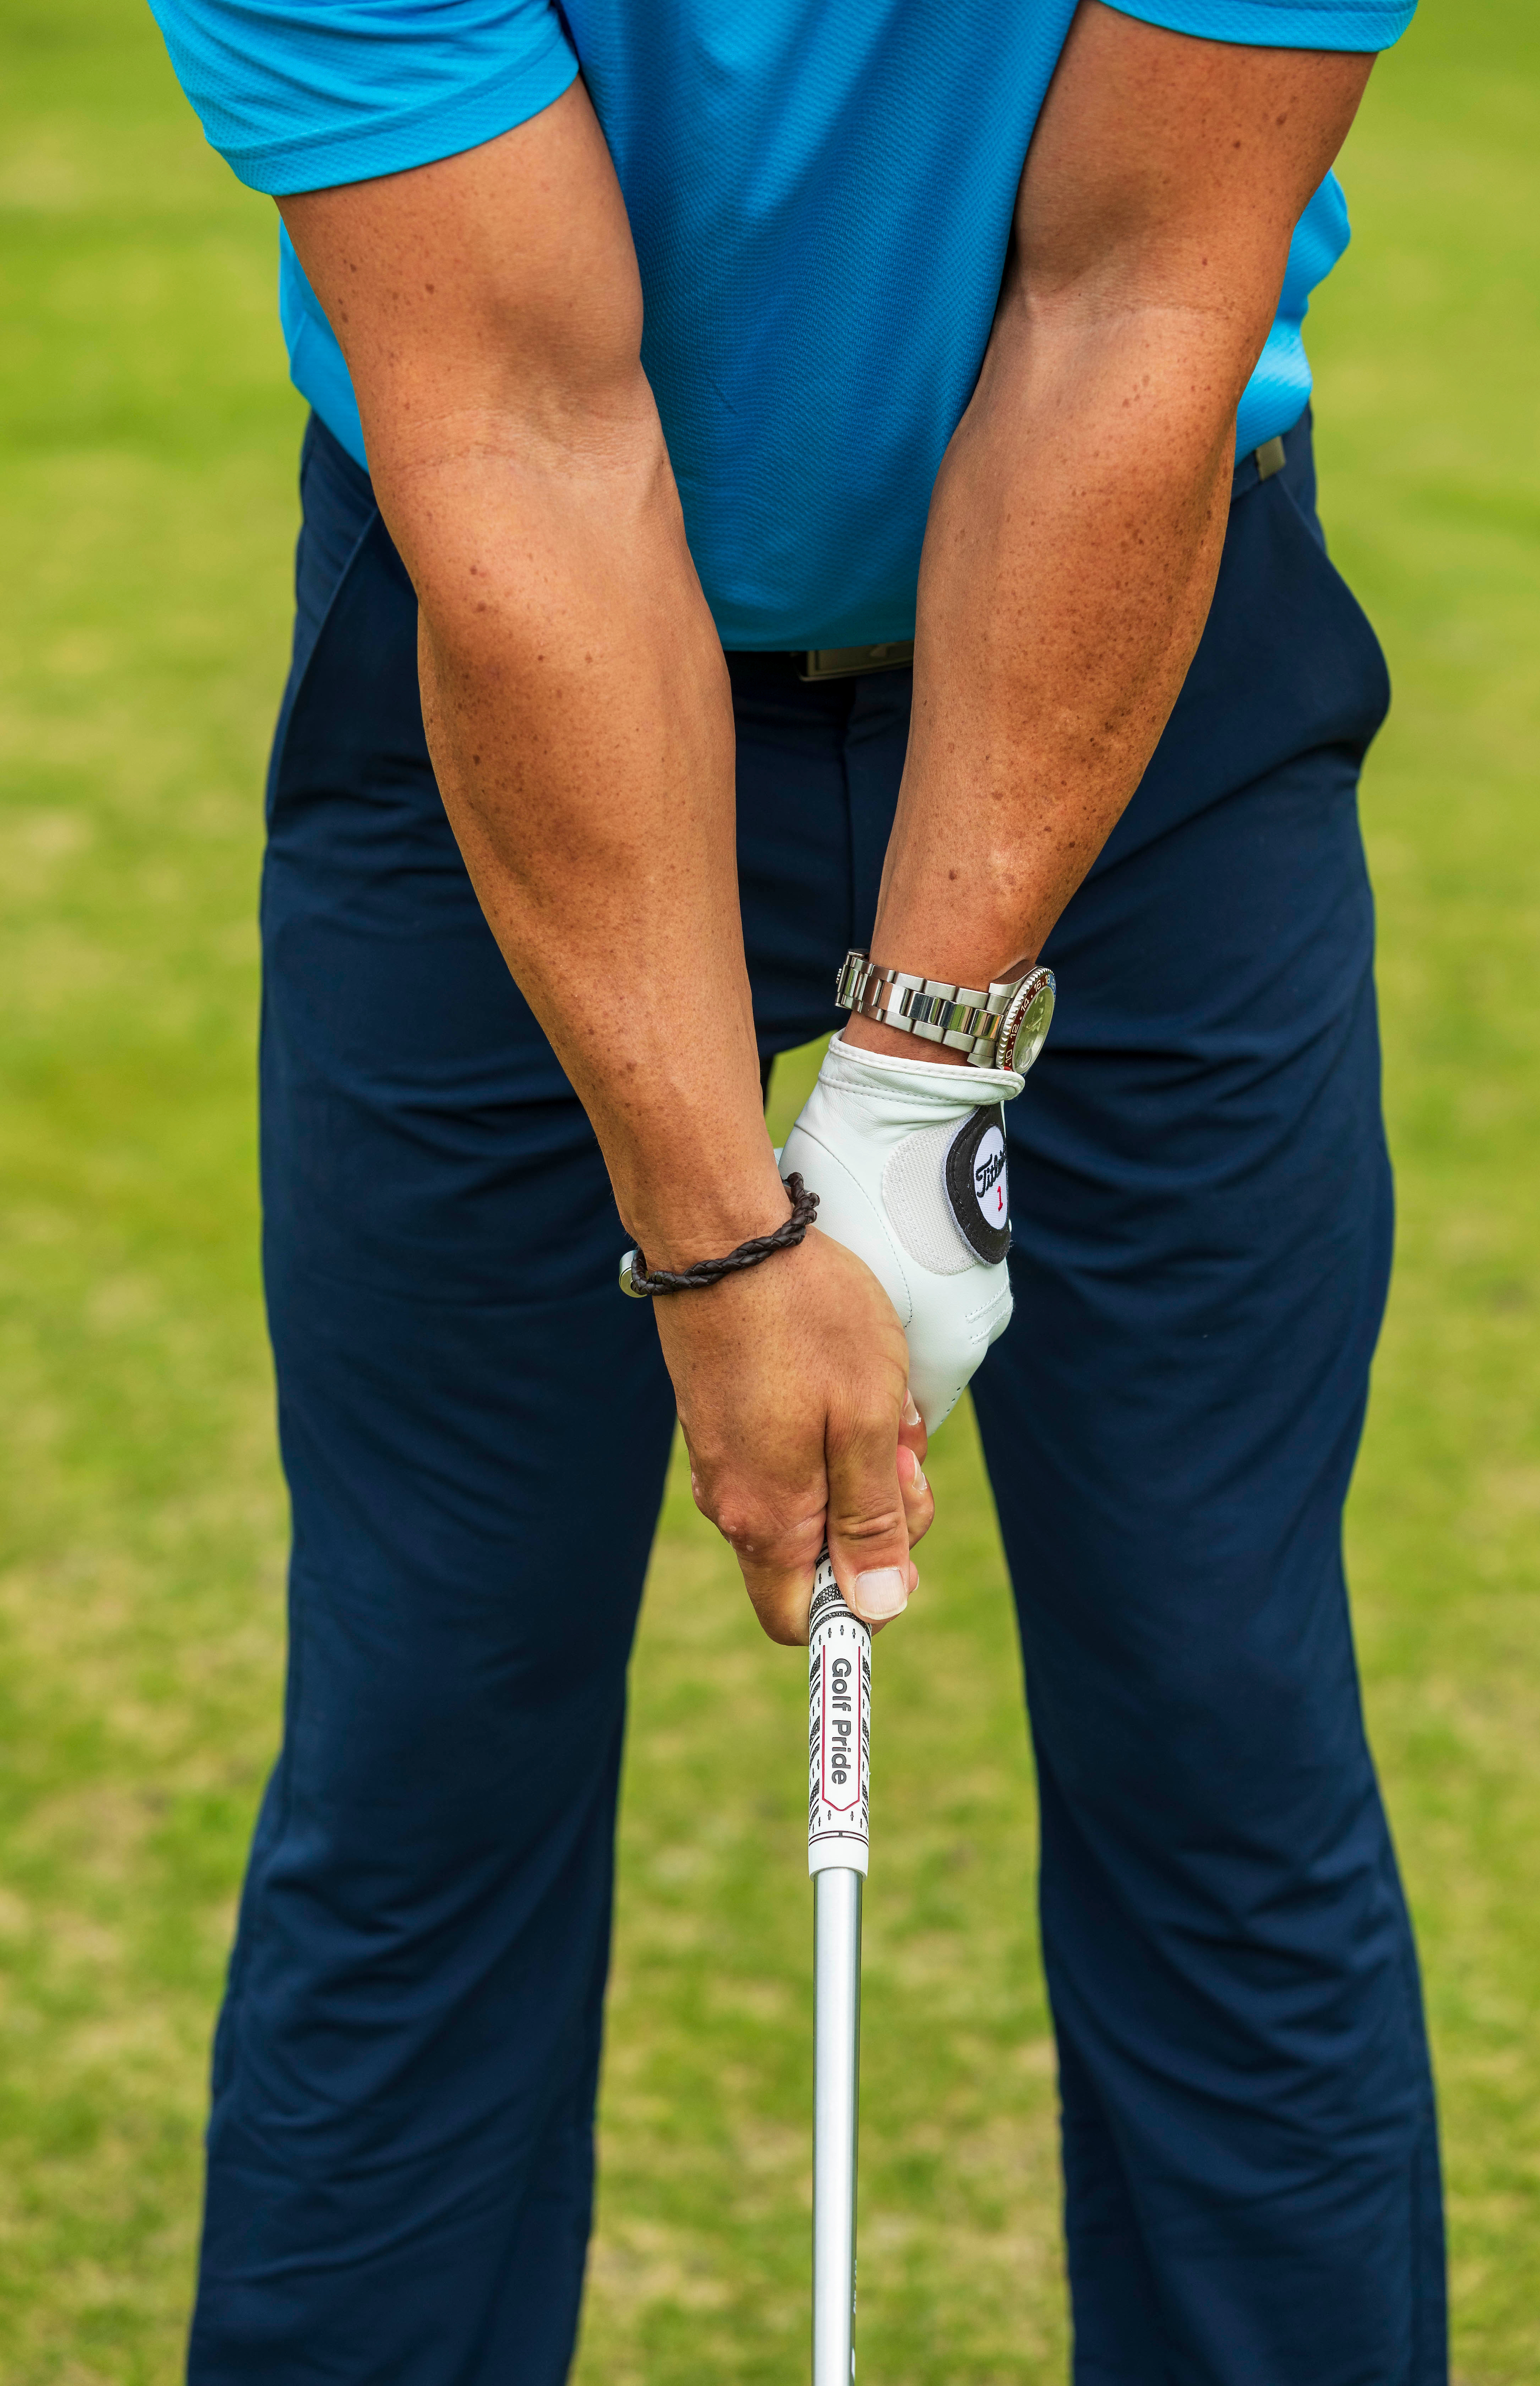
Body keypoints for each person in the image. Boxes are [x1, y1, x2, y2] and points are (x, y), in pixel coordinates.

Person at [144, 0, 1445, 2378]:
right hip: (505, 640)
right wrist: (722, 1230)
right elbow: (525, 432)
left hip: (1137, 652)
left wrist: (915, 1068)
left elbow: (1135, 294)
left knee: (1217, 1714)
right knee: (428, 1727)